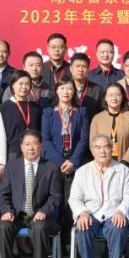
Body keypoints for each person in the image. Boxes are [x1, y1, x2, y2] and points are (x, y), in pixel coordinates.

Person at [0, 130, 64, 258]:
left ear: (41, 146)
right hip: (17, 215)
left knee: (40, 228)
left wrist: (44, 211)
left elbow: (55, 197)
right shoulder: (12, 166)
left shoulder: (51, 167)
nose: (31, 148)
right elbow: (3, 194)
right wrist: (7, 211)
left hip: (41, 215)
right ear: (21, 147)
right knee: (3, 227)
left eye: (34, 144)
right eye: (27, 144)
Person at [69, 135, 129, 258]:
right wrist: (82, 212)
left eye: (106, 147)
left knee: (119, 226)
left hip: (114, 212)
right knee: (83, 228)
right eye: (98, 147)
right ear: (92, 150)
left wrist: (121, 211)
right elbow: (74, 198)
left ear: (112, 149)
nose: (102, 151)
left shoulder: (122, 170)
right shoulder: (82, 171)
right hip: (91, 213)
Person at [41, 79, 91, 233]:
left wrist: (73, 161)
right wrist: (61, 162)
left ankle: (71, 239)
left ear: (74, 91)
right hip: (54, 163)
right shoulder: (48, 112)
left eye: (69, 88)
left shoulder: (81, 112)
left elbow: (84, 139)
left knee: (73, 201)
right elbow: (45, 139)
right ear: (56, 91)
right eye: (62, 88)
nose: (66, 92)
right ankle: (55, 239)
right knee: (55, 200)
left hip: (76, 163)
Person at [90, 82, 129, 184]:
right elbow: (92, 142)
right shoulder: (97, 118)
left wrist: (126, 161)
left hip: (126, 165)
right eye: (110, 95)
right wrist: (101, 160)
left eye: (118, 95)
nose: (114, 98)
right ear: (105, 98)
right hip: (103, 165)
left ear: (122, 97)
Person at [0, 73, 43, 160]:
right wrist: (1, 162)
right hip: (13, 153)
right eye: (20, 84)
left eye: (27, 84)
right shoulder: (3, 108)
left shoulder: (36, 108)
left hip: (33, 151)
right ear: (13, 85)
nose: (24, 87)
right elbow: (0, 137)